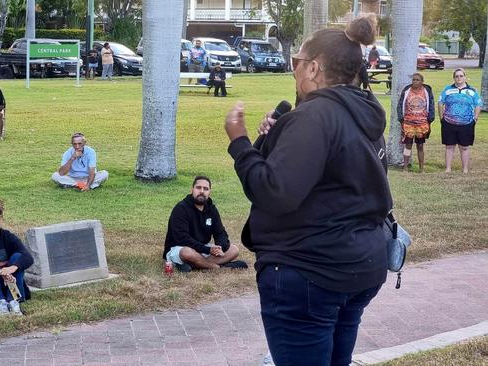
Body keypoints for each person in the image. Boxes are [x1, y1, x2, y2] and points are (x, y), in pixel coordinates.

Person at [224, 16, 391, 366]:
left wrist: (239, 142)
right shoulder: (364, 112)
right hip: (360, 265)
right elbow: (334, 179)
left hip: (310, 270)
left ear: (314, 68)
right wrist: (274, 139)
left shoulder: (315, 118)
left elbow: (275, 191)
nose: (294, 70)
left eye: (296, 62)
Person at [163, 176, 248, 272]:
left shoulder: (211, 209)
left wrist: (220, 247)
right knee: (187, 253)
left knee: (234, 250)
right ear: (192, 189)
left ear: (209, 192)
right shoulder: (181, 208)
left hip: (201, 249)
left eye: (206, 189)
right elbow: (182, 239)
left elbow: (220, 233)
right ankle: (218, 267)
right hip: (180, 248)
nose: (202, 191)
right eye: (198, 188)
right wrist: (207, 250)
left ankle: (195, 264)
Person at [438, 68, 483, 174]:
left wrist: (475, 119)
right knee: (449, 146)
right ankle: (448, 169)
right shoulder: (447, 89)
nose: (459, 78)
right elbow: (440, 102)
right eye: (456, 76)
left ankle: (465, 169)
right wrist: (441, 118)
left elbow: (478, 105)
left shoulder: (472, 91)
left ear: (465, 77)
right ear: (454, 78)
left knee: (464, 147)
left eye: (461, 76)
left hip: (466, 124)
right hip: (449, 122)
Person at [397, 73, 435, 172]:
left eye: (417, 80)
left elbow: (431, 105)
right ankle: (405, 167)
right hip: (408, 123)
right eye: (413, 80)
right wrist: (401, 119)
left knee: (420, 145)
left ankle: (421, 168)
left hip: (422, 124)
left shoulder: (426, 91)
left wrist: (430, 119)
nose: (415, 81)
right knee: (408, 145)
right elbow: (400, 104)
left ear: (422, 82)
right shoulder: (407, 91)